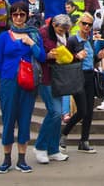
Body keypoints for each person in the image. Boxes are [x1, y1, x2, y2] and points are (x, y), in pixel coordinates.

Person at [0, 1, 44, 173]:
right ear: (11, 16)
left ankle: (21, 159)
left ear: (27, 16)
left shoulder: (33, 34)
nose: (18, 18)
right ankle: (6, 159)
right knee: (8, 119)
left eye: (22, 14)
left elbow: (41, 56)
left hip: (27, 81)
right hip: (8, 81)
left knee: (25, 118)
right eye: (15, 14)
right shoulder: (4, 36)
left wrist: (30, 43)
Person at [34, 13, 81, 164]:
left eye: (65, 30)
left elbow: (68, 53)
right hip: (45, 76)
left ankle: (53, 149)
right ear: (54, 25)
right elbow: (38, 54)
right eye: (61, 30)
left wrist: (75, 55)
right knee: (54, 112)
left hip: (59, 77)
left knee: (58, 113)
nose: (63, 32)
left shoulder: (65, 34)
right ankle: (40, 146)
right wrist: (48, 55)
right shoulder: (42, 33)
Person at [61, 11, 98, 154]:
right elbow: (66, 59)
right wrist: (77, 56)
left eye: (89, 24)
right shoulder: (72, 40)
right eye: (84, 23)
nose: (87, 27)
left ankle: (84, 141)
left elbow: (91, 60)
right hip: (77, 76)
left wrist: (99, 57)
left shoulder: (91, 40)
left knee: (89, 111)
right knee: (82, 110)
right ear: (79, 23)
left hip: (89, 75)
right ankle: (63, 134)